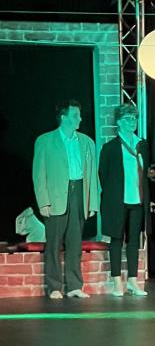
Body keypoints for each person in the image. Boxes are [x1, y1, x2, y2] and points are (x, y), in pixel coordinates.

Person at [32, 99, 98, 300]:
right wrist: (43, 201)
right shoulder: (45, 141)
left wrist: (92, 202)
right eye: (75, 115)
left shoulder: (87, 142)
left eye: (79, 115)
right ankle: (54, 286)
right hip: (56, 196)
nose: (80, 119)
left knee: (75, 243)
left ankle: (74, 286)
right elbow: (39, 174)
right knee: (53, 244)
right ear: (63, 117)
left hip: (78, 193)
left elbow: (92, 175)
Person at [99, 103, 149, 297]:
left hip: (137, 201)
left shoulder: (142, 145)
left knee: (134, 241)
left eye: (134, 118)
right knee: (117, 239)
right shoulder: (110, 148)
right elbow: (103, 175)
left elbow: (146, 173)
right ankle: (116, 281)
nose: (132, 122)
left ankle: (133, 281)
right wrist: (113, 194)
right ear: (119, 122)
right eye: (128, 119)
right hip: (118, 201)